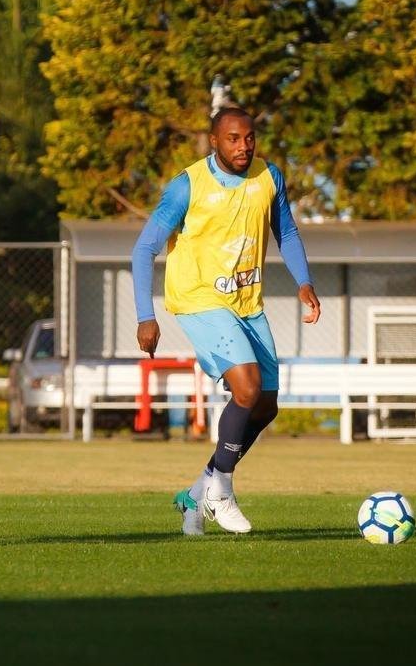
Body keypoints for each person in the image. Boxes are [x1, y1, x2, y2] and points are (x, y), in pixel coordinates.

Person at [130, 107, 321, 536]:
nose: (243, 146)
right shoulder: (187, 186)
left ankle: (199, 492)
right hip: (198, 300)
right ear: (214, 141)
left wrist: (304, 281)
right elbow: (144, 250)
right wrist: (147, 316)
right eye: (233, 139)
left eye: (249, 137)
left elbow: (286, 232)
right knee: (247, 387)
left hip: (247, 304)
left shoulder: (269, 177)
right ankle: (222, 492)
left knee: (266, 404)